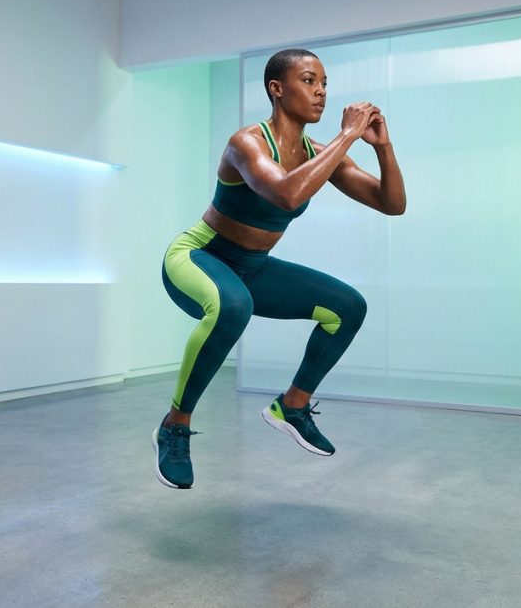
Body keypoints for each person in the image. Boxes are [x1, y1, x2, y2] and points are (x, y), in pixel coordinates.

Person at [154, 48, 406, 489]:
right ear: (277, 89)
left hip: (253, 267)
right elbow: (286, 194)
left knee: (348, 306)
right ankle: (175, 426)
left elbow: (392, 204)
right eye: (309, 81)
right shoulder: (246, 143)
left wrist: (383, 147)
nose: (321, 92)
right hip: (200, 256)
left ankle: (292, 405)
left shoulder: (319, 153)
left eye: (324, 83)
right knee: (233, 307)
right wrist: (347, 135)